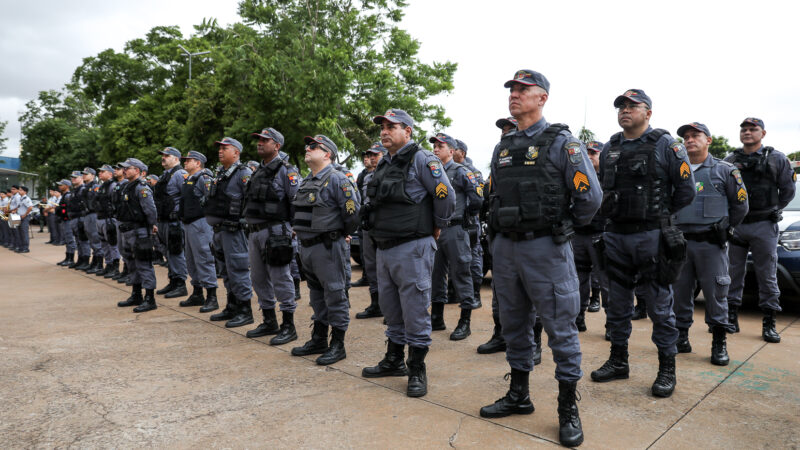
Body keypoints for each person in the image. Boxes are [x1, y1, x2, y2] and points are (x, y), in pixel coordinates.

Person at [479, 70, 600, 447]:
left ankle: (568, 408)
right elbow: (494, 195)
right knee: (513, 324)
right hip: (507, 249)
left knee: (560, 328)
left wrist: (561, 227)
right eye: (511, 90)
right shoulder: (503, 146)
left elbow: (590, 199)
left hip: (546, 248)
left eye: (522, 90)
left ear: (542, 98)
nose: (514, 95)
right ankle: (519, 394)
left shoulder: (563, 143)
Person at [591, 89, 695, 400]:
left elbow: (686, 190)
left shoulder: (666, 144)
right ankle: (619, 361)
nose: (625, 110)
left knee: (660, 307)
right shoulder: (610, 146)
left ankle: (666, 368)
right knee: (618, 305)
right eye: (621, 105)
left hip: (652, 237)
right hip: (617, 237)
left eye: (632, 105)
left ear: (648, 113)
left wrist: (659, 216)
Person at [360, 109, 455, 398]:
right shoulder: (384, 165)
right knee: (391, 309)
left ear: (408, 131)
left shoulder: (422, 159)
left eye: (392, 126)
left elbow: (445, 196)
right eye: (382, 127)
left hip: (413, 247)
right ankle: (394, 359)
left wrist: (437, 226)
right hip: (385, 248)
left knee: (414, 310)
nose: (384, 131)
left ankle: (416, 368)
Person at [672, 122, 748, 366]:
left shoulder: (725, 171)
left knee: (716, 293)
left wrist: (725, 228)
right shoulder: (677, 170)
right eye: (686, 136)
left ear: (709, 140)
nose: (689, 139)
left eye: (695, 135)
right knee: (680, 292)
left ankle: (718, 342)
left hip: (711, 244)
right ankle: (681, 337)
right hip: (681, 243)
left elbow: (741, 205)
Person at [289, 135, 359, 364]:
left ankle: (337, 344)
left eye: (313, 147)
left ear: (327, 153)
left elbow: (352, 212)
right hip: (307, 249)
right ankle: (318, 338)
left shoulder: (338, 179)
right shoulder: (306, 181)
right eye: (307, 145)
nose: (307, 149)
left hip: (328, 247)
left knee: (336, 295)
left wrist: (339, 233)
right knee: (317, 296)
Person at [725, 118, 795, 343]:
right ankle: (731, 317)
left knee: (767, 274)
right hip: (737, 225)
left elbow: (788, 190)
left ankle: (769, 322)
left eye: (752, 129)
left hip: (764, 224)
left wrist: (774, 209)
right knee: (732, 273)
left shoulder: (777, 158)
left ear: (762, 133)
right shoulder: (730, 160)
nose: (747, 132)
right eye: (743, 129)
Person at [242, 127, 300, 345]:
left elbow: (296, 200)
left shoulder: (286, 170)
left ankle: (288, 324)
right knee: (257, 278)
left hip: (276, 231)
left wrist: (294, 228)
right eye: (258, 139)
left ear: (277, 145)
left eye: (265, 140)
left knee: (280, 278)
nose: (259, 143)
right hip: (255, 232)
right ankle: (269, 320)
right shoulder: (257, 171)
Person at [429, 132, 483, 340]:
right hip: (436, 230)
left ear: (451, 151)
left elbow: (477, 196)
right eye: (434, 146)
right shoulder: (432, 172)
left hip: (455, 229)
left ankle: (465, 321)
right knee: (435, 274)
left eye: (440, 146)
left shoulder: (460, 171)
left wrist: (467, 216)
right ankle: (437, 318)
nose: (435, 149)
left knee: (461, 273)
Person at [204, 137, 254, 328]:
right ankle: (232, 306)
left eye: (225, 148)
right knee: (225, 271)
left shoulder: (244, 173)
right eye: (220, 148)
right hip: (219, 230)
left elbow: (251, 201)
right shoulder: (220, 174)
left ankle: (245, 310)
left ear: (236, 152)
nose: (220, 151)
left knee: (238, 270)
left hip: (235, 231)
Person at [571, 140, 608, 332]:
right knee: (578, 280)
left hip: (602, 235)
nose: (590, 156)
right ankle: (579, 317)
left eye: (594, 153)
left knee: (607, 280)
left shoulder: (610, 178)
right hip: (579, 235)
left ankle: (612, 323)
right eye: (588, 153)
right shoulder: (579, 177)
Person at [115, 158, 159, 313]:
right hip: (127, 229)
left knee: (143, 263)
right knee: (131, 263)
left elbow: (150, 211)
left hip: (140, 230)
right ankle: (136, 294)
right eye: (124, 168)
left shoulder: (142, 188)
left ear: (138, 171)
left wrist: (152, 226)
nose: (125, 170)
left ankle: (149, 298)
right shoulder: (127, 186)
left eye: (128, 168)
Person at [178, 151, 219, 313]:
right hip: (189, 224)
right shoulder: (189, 179)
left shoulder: (204, 177)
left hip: (201, 223)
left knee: (204, 258)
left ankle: (212, 296)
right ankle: (197, 293)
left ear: (198, 163)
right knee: (191, 260)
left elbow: (211, 199)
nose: (185, 163)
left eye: (189, 160)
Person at [354, 142, 386, 319]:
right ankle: (376, 304)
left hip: (384, 227)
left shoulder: (389, 173)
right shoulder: (365, 177)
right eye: (370, 155)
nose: (372, 158)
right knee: (371, 266)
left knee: (387, 267)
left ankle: (390, 307)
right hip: (368, 226)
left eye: (376, 154)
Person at [453, 138, 486, 309]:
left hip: (470, 223)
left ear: (462, 153)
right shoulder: (448, 170)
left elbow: (477, 199)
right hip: (454, 224)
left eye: (455, 149)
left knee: (473, 257)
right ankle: (454, 293)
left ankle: (475, 294)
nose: (451, 151)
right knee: (455, 258)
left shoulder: (473, 172)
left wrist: (469, 215)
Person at [153, 147, 190, 298]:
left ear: (176, 159)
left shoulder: (180, 174)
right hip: (164, 220)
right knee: (169, 252)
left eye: (167, 155)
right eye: (162, 155)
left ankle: (180, 284)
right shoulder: (165, 175)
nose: (163, 158)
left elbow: (187, 196)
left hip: (174, 221)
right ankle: (173, 280)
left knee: (176, 252)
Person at [94, 165, 122, 278]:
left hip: (109, 219)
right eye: (99, 172)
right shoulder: (102, 186)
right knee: (104, 244)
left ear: (110, 174)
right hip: (101, 218)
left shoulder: (112, 186)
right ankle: (108, 265)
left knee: (112, 243)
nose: (100, 173)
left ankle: (115, 268)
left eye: (103, 171)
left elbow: (115, 202)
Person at [81, 168, 105, 273]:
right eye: (83, 174)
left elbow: (97, 201)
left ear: (92, 175)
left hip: (93, 214)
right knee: (91, 239)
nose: (84, 175)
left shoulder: (95, 186)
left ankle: (99, 263)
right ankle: (94, 262)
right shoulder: (85, 187)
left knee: (95, 238)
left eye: (87, 174)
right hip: (87, 214)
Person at [66, 172, 91, 269]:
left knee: (84, 240)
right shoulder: (75, 190)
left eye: (76, 178)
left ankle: (85, 260)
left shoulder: (83, 190)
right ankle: (80, 259)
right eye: (72, 178)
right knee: (78, 240)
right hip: (74, 218)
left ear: (81, 178)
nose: (73, 179)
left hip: (81, 217)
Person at [55, 180, 77, 266]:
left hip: (68, 220)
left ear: (67, 186)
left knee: (70, 239)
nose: (59, 186)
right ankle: (67, 257)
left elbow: (68, 209)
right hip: (64, 220)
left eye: (61, 185)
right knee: (67, 239)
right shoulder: (64, 195)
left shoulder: (68, 195)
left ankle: (71, 258)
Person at [13, 186, 34, 253]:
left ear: (25, 192)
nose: (19, 191)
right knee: (20, 232)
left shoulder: (26, 199)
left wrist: (25, 215)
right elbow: (19, 207)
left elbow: (30, 207)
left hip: (24, 217)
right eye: (19, 190)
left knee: (24, 233)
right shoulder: (20, 198)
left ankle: (25, 248)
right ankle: (21, 247)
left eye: (21, 190)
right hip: (19, 216)